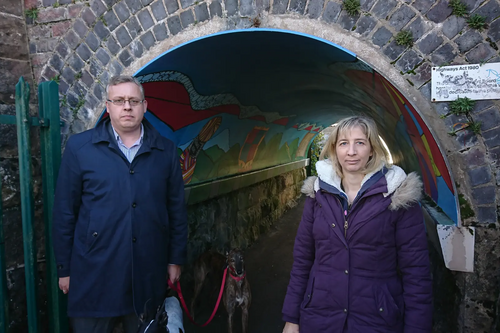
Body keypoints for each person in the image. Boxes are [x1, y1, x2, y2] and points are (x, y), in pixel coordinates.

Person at [52, 75, 188, 333]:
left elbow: (177, 210)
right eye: (119, 100)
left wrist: (175, 259)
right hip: (93, 272)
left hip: (147, 272)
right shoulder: (80, 148)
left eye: (133, 100)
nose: (127, 106)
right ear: (108, 106)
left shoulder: (166, 151)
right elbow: (64, 212)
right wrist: (64, 269)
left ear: (144, 106)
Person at [282, 116, 432, 333]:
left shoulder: (398, 197)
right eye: (344, 143)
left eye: (360, 142)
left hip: (376, 319)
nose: (351, 151)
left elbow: (416, 273)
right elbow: (302, 261)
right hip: (320, 317)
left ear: (372, 149)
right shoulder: (318, 196)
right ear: (335, 149)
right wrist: (291, 319)